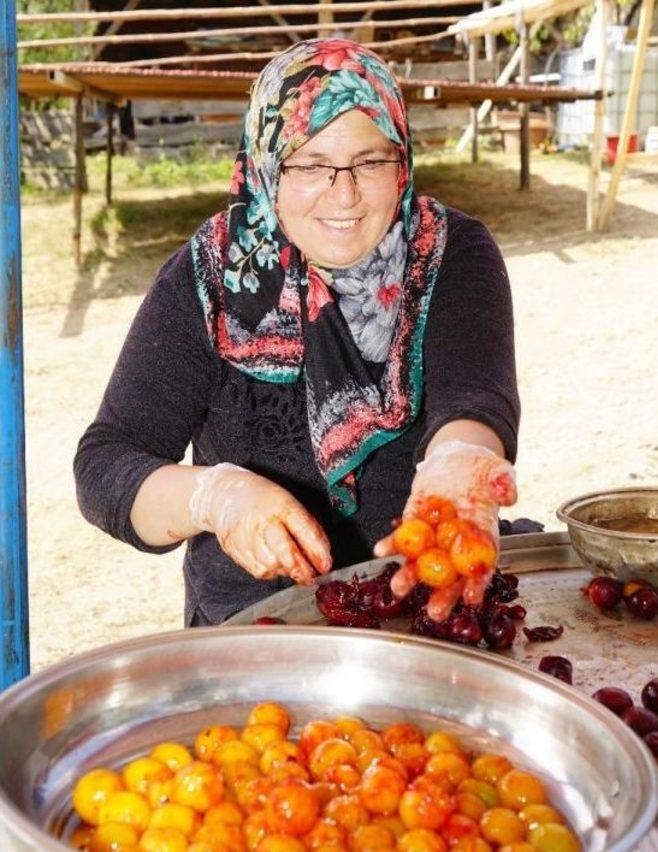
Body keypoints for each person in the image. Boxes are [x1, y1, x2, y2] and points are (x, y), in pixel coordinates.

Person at [74, 39, 520, 628]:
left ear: (403, 161)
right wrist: (214, 497)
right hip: (257, 625)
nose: (344, 194)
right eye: (309, 165)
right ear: (266, 165)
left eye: (370, 161)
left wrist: (460, 462)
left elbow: (473, 400)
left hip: (422, 604)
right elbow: (105, 463)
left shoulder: (447, 252)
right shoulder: (211, 277)